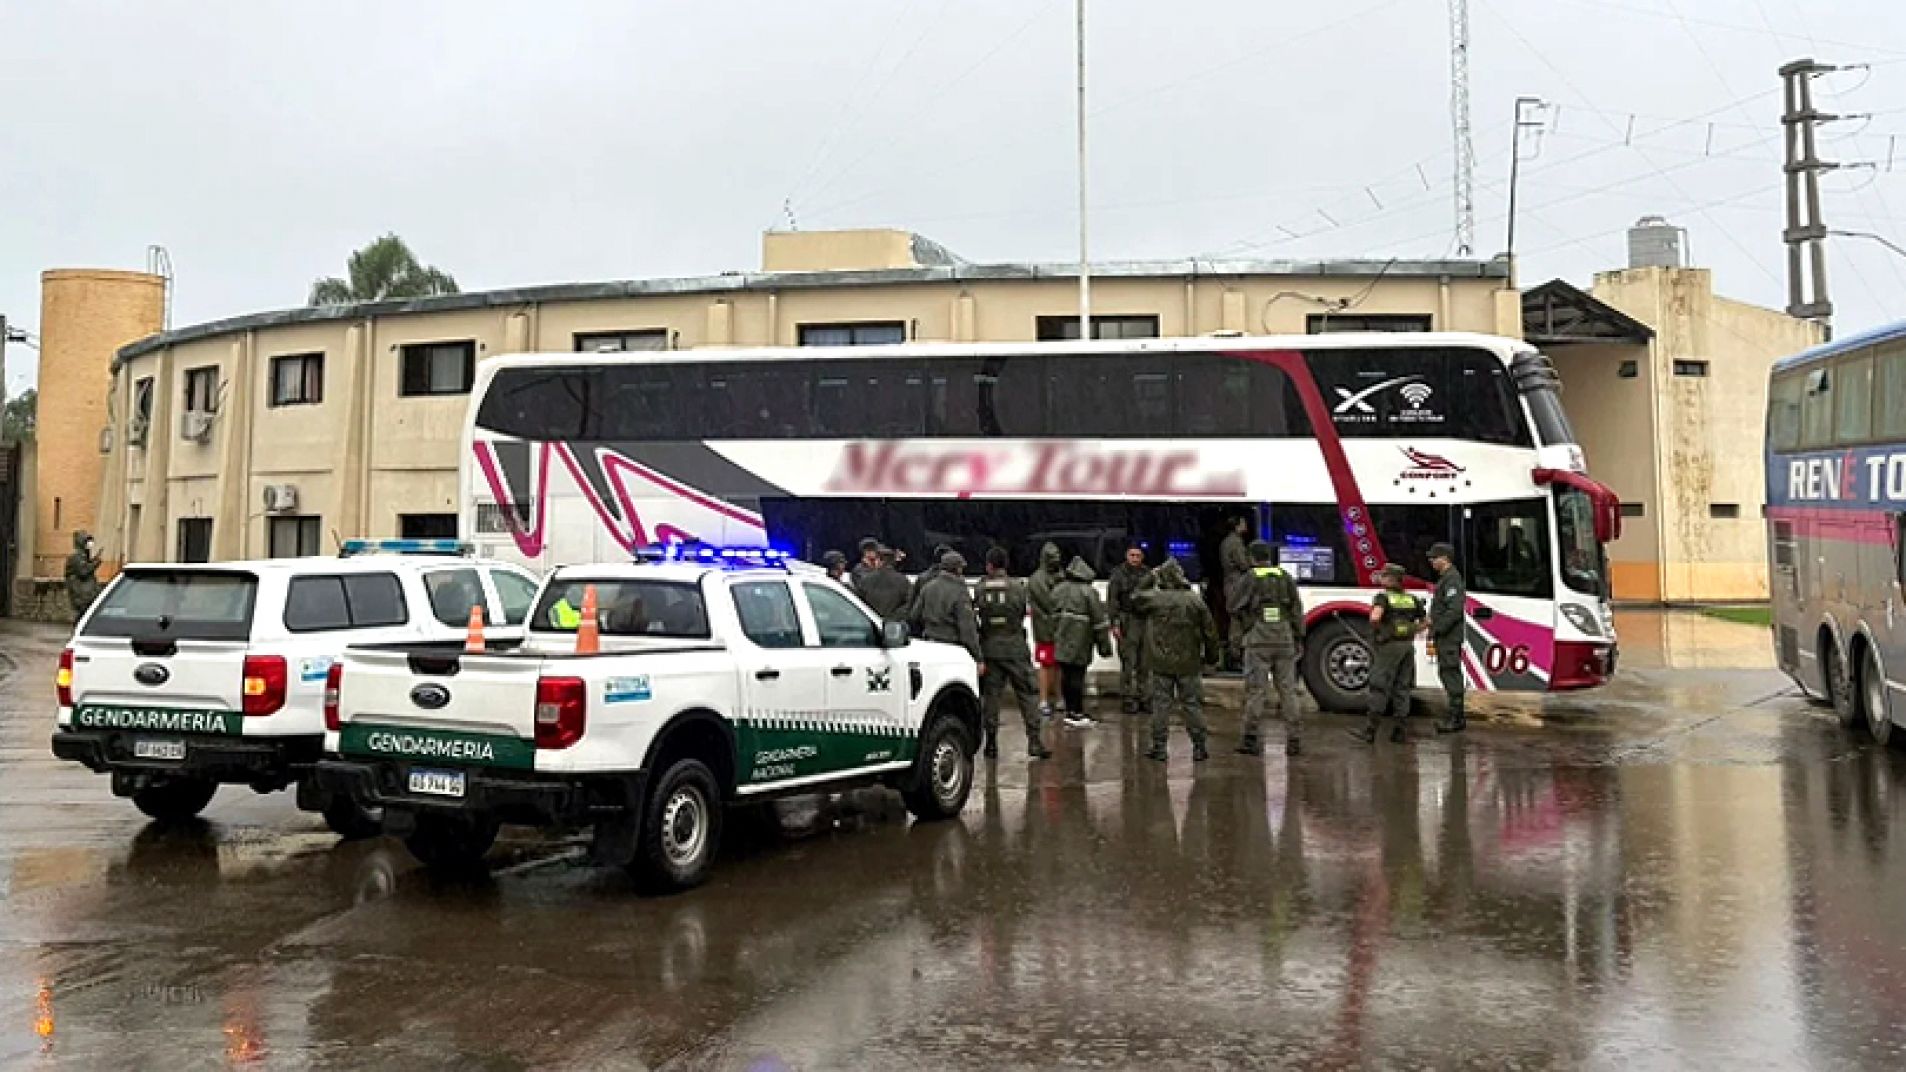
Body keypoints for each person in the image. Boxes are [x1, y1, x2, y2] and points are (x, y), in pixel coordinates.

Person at [1134, 558, 1221, 763]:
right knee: (1192, 705)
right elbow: (1210, 633)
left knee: (1161, 705)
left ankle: (1159, 748)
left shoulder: (1155, 599)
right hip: (1189, 662)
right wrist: (1211, 658)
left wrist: (1149, 577)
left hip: (1160, 661)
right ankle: (1199, 747)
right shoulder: (1195, 600)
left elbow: (1134, 597)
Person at [1232, 541, 1306, 757]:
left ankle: (1250, 739)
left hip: (1258, 639)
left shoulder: (1250, 577)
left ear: (1252, 557)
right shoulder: (1285, 576)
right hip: (1284, 639)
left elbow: (1234, 606)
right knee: (1288, 691)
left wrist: (1244, 628)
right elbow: (1296, 608)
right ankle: (1294, 740)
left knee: (1256, 691)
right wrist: (1298, 636)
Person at [976, 547, 1051, 760]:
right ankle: (1034, 741)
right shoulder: (1018, 587)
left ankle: (990, 743)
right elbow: (1021, 611)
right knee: (1027, 694)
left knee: (991, 697)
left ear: (989, 565)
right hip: (1015, 647)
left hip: (990, 648)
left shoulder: (981, 588)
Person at [1352, 563, 1423, 744]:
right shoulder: (1411, 599)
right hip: (1407, 646)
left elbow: (1375, 617)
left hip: (1389, 646)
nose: (1381, 578)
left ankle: (1370, 731)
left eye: (1384, 576)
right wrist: (1410, 630)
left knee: (1379, 685)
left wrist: (1381, 631)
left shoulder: (1383, 598)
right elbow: (1426, 621)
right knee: (1402, 687)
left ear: (1391, 580)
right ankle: (1400, 731)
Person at [1051, 556, 1112, 727]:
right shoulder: (1089, 592)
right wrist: (1104, 647)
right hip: (1081, 640)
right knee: (1078, 676)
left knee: (1066, 675)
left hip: (1061, 639)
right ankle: (1077, 712)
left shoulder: (1058, 589)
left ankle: (1069, 711)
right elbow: (1099, 622)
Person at [1107, 543, 1153, 716]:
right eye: (1132, 555)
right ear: (1127, 556)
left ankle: (1144, 698)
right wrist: (1115, 623)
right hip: (1127, 621)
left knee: (1145, 663)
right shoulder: (1118, 574)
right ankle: (1127, 698)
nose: (1135, 559)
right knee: (1128, 663)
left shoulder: (1148, 574)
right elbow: (1113, 601)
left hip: (1145, 621)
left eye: (1138, 556)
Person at [1427, 542, 1468, 734]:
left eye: (1434, 558)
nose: (1431, 562)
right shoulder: (1446, 579)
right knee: (1447, 673)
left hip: (1449, 637)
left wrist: (1438, 628)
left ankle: (1456, 718)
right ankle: (1455, 716)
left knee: (1451, 674)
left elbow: (1454, 610)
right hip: (1446, 636)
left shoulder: (1451, 579)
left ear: (1444, 558)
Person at [1027, 542, 1067, 717]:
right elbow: (1050, 603)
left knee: (1058, 665)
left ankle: (1059, 697)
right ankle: (1043, 699)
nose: (1056, 560)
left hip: (1060, 628)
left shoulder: (1061, 575)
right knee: (1046, 665)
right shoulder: (1037, 579)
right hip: (1044, 629)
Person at [1218, 515, 1254, 656]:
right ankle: (1236, 652)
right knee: (1238, 618)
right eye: (1243, 523)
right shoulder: (1235, 543)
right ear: (1237, 526)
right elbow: (1243, 564)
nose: (1246, 526)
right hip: (1236, 583)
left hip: (1230, 582)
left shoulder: (1227, 541)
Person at [853, 546, 912, 622]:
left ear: (880, 561)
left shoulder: (866, 580)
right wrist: (894, 617)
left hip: (871, 622)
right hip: (893, 625)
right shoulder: (903, 581)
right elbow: (909, 604)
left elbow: (857, 602)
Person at [904, 543, 954, 633]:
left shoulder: (922, 578)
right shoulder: (951, 580)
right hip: (946, 628)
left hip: (924, 627)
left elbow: (912, 605)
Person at [64, 531, 102, 617]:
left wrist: (94, 560)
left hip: (86, 596)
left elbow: (85, 567)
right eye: (87, 541)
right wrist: (96, 562)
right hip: (82, 597)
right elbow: (83, 571)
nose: (90, 544)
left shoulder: (82, 556)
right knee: (83, 618)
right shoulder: (77, 557)